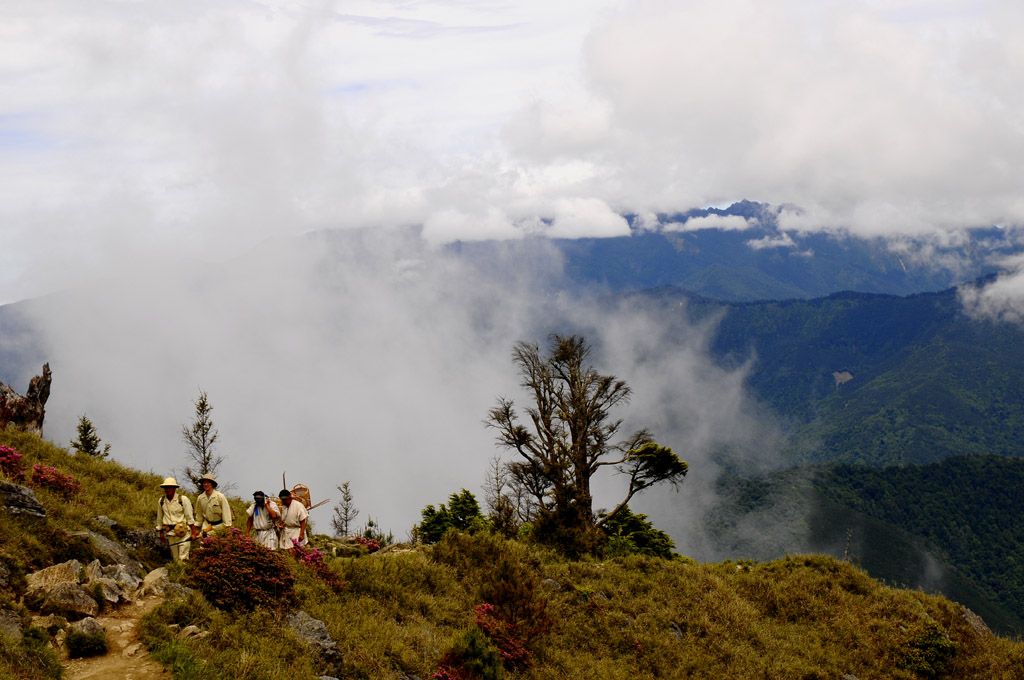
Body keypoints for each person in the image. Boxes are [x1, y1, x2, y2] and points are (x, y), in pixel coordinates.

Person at [156, 477, 196, 562]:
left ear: (174, 488)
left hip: (183, 533)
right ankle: (178, 574)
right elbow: (159, 517)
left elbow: (189, 517)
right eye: (166, 487)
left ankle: (183, 574)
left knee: (183, 558)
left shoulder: (183, 500)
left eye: (170, 487)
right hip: (170, 533)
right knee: (175, 558)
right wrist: (161, 532)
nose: (168, 489)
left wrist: (193, 532)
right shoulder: (161, 501)